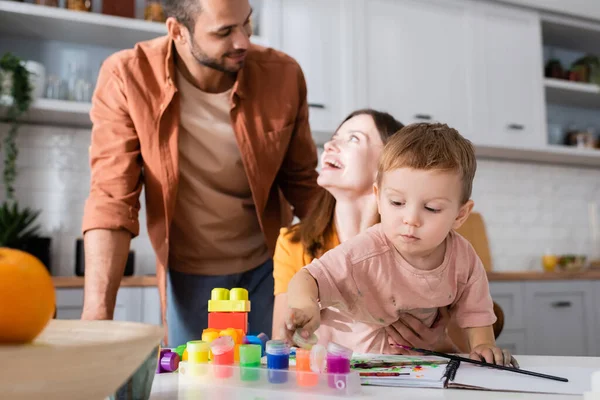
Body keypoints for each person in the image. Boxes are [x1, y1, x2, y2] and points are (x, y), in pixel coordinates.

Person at [80, 0, 321, 347]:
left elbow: (306, 188)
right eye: (224, 31)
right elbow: (112, 199)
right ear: (178, 31)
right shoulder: (128, 76)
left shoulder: (283, 75)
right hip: (187, 273)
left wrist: (354, 274)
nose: (243, 42)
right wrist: (96, 318)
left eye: (246, 24)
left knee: (271, 382)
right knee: (197, 385)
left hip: (268, 267)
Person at [285, 123, 517, 366]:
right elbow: (307, 277)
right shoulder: (366, 250)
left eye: (431, 208)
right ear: (378, 197)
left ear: (460, 215)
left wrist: (484, 346)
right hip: (349, 366)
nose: (411, 219)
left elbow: (477, 313)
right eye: (397, 202)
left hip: (414, 369)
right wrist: (305, 306)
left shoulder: (463, 258)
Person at [272, 110, 461, 354]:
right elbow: (282, 339)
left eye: (353, 139)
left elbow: (468, 350)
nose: (330, 145)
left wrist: (438, 343)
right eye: (335, 137)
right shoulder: (294, 242)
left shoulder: (433, 247)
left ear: (393, 163)